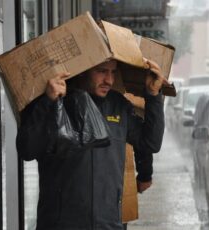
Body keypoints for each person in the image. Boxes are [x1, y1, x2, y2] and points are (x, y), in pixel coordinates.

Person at [16, 58, 166, 230]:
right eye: (102, 71)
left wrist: (154, 96)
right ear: (83, 69)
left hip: (108, 223)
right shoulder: (54, 101)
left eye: (113, 72)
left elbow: (151, 143)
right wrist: (48, 102)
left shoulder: (118, 105)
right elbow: (26, 150)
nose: (109, 80)